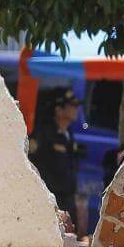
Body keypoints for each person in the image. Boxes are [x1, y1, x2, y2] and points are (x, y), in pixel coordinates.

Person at [29, 87, 85, 234]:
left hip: (67, 197)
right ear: (59, 110)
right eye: (71, 106)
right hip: (51, 199)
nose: (76, 109)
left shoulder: (68, 133)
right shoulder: (44, 133)